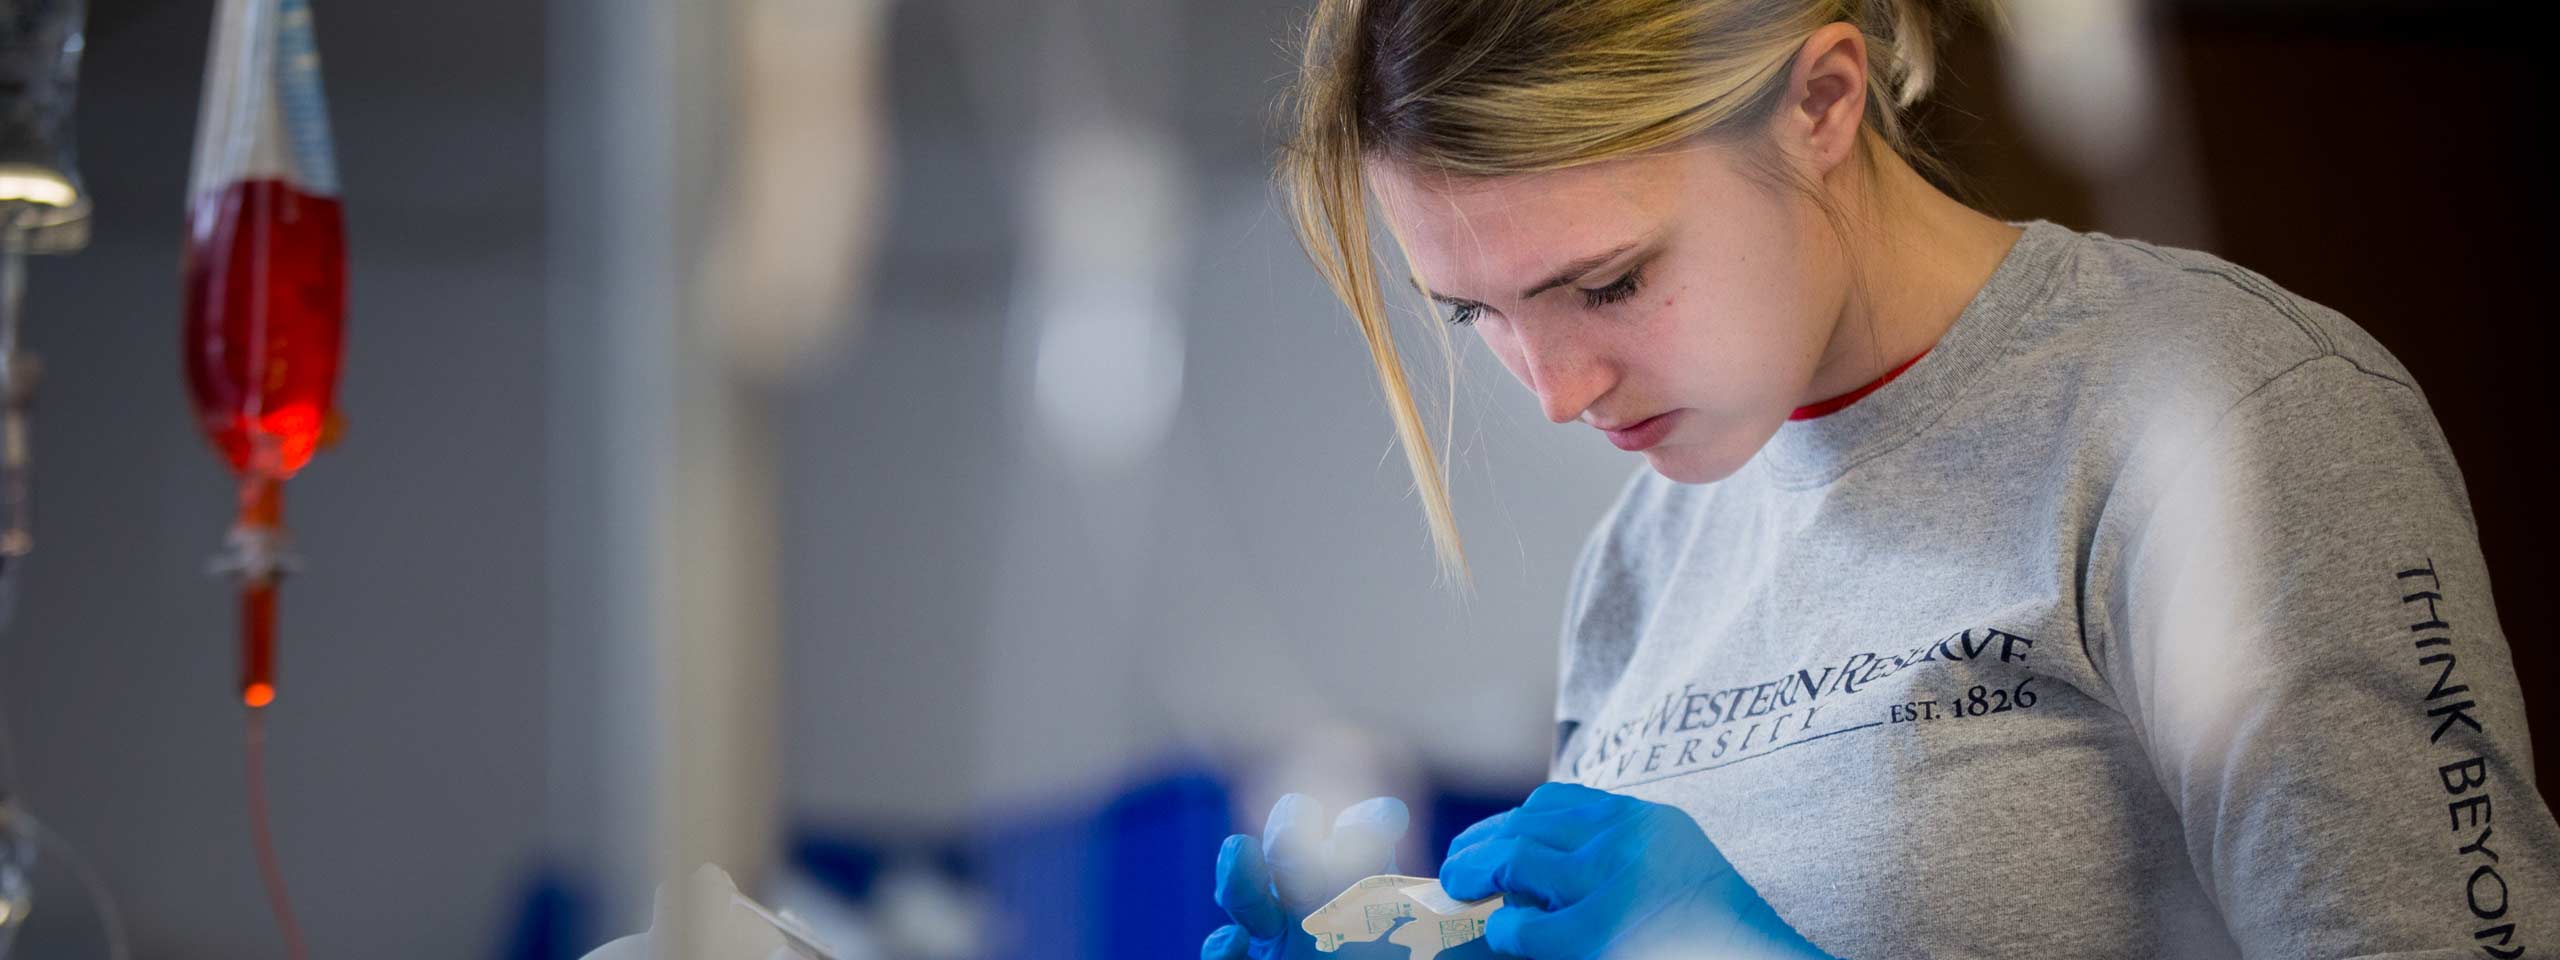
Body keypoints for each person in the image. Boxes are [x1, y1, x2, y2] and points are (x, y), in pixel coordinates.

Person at [1201, 0, 2560, 957]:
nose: (1555, 393)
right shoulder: (1644, 557)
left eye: (1609, 281)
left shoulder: (2225, 421)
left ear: (1821, 102)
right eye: (1472, 315)